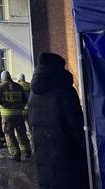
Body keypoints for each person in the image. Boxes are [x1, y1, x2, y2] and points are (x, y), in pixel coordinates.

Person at [29, 53, 89, 189]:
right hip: (67, 157)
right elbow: (77, 126)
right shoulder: (64, 90)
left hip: (43, 157)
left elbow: (31, 121)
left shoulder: (33, 93)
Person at [0, 71, 31, 161]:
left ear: (2, 77)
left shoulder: (0, 86)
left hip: (7, 115)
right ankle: (27, 151)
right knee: (22, 133)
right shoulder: (18, 87)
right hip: (19, 115)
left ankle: (16, 153)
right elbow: (24, 99)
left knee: (9, 135)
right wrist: (21, 106)